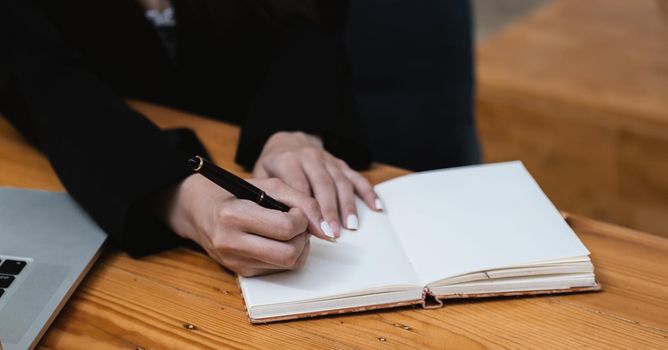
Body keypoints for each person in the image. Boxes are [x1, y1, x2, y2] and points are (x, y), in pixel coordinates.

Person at [0, 0, 382, 277]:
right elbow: (41, 77)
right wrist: (183, 198)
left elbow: (307, 25)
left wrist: (293, 128)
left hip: (243, 128)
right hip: (107, 152)